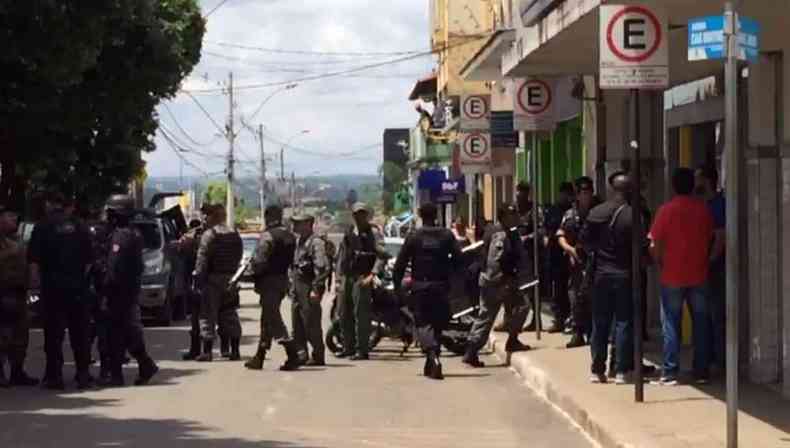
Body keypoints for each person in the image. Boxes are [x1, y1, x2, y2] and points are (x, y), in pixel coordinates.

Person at [649, 168, 714, 385]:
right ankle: (702, 370)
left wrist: (660, 262)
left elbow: (655, 243)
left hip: (672, 275)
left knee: (671, 323)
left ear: (673, 186)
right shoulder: (703, 210)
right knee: (701, 323)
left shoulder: (666, 211)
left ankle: (669, 372)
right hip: (699, 273)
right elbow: (710, 237)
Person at [28, 193, 93, 390]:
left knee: (53, 333)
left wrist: (35, 285)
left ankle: (54, 376)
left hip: (52, 287)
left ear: (50, 204)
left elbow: (34, 262)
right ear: (70, 206)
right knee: (80, 333)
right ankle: (82, 374)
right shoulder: (81, 227)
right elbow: (89, 262)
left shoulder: (42, 227)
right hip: (77, 288)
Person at [393, 203, 463, 380]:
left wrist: (397, 288)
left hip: (421, 288)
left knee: (423, 324)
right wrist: (454, 281)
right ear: (436, 214)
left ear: (420, 216)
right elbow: (459, 260)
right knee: (437, 324)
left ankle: (433, 356)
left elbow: (400, 265)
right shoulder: (446, 235)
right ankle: (432, 361)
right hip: (441, 287)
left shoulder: (414, 237)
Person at [463, 203, 532, 368]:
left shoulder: (510, 232)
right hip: (497, 282)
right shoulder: (499, 234)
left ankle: (512, 340)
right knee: (488, 316)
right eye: (512, 215)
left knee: (519, 307)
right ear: (505, 217)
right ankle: (471, 351)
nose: (516, 217)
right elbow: (494, 263)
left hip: (504, 281)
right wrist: (502, 282)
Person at [584, 173, 637, 385]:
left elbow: (584, 243)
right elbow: (640, 246)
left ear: (612, 189)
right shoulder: (632, 215)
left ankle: (597, 370)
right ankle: (621, 370)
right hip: (624, 274)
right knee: (623, 321)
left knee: (600, 321)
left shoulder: (596, 212)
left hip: (600, 275)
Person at [101, 194, 159, 386]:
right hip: (128, 291)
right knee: (126, 332)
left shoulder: (122, 235)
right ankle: (143, 365)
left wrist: (105, 287)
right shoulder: (133, 233)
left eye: (110, 213)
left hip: (119, 292)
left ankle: (120, 374)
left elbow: (114, 268)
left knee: (115, 334)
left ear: (116, 214)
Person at [246, 204, 301, 371]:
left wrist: (250, 273)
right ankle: (259, 357)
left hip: (269, 281)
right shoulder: (290, 236)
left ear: (268, 217)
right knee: (267, 319)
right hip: (282, 279)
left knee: (273, 318)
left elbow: (260, 261)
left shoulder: (268, 236)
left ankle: (292, 354)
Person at [336, 202, 389, 361]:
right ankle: (348, 347)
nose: (359, 217)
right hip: (347, 276)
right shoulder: (349, 232)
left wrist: (372, 275)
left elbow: (382, 255)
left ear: (366, 215)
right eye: (356, 214)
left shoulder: (372, 233)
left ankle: (362, 350)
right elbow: (342, 256)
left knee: (361, 315)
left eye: (362, 214)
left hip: (362, 276)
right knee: (344, 313)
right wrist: (338, 278)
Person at [194, 205, 243, 362]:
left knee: (207, 315)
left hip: (212, 280)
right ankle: (234, 350)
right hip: (231, 280)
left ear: (213, 217)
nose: (204, 219)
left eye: (207, 216)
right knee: (230, 315)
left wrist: (198, 281)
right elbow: (239, 256)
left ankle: (207, 352)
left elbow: (201, 260)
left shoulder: (209, 235)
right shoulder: (235, 234)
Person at [557, 176, 599, 348]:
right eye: (583, 192)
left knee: (594, 300)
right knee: (575, 299)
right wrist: (570, 250)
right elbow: (560, 235)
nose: (586, 195)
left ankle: (593, 333)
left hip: (595, 262)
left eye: (589, 192)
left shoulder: (598, 212)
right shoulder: (570, 214)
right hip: (576, 263)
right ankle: (578, 332)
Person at [0, 204, 38, 388]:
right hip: (3, 293)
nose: (14, 219)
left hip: (19, 293)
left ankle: (17, 372)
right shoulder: (8, 244)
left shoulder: (18, 239)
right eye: (9, 216)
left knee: (21, 336)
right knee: (3, 337)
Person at [695, 165, 726, 372]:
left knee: (716, 315)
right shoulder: (701, 204)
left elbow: (721, 236)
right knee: (704, 316)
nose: (695, 182)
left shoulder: (718, 205)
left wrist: (711, 259)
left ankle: (720, 360)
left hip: (715, 268)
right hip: (702, 267)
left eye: (698, 178)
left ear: (706, 180)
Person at [290, 213, 330, 366]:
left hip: (308, 287)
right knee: (297, 324)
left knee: (311, 324)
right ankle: (301, 353)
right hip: (297, 287)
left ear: (309, 224)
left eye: (298, 223)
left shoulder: (316, 243)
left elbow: (322, 268)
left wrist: (316, 289)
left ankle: (318, 355)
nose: (295, 226)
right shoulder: (299, 242)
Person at [178, 210, 209, 360]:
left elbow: (183, 249)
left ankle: (203, 350)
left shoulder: (202, 236)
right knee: (200, 317)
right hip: (202, 281)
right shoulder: (197, 235)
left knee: (201, 317)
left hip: (202, 281)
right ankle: (201, 350)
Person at [545, 182, 575, 334]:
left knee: (571, 290)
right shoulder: (554, 210)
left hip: (570, 255)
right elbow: (548, 228)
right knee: (558, 289)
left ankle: (571, 319)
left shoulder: (574, 211)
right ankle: (559, 319)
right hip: (556, 255)